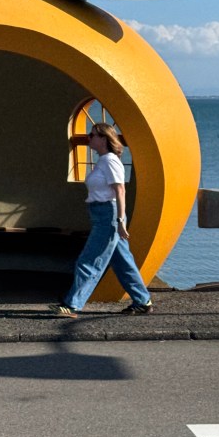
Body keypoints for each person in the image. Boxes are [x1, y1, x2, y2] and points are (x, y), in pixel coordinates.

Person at [50, 122, 153, 318]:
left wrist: (120, 220)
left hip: (109, 216)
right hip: (103, 214)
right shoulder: (104, 161)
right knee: (123, 263)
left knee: (89, 260)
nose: (89, 138)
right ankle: (142, 301)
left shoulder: (110, 161)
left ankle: (72, 305)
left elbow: (120, 190)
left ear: (104, 139)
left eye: (93, 134)